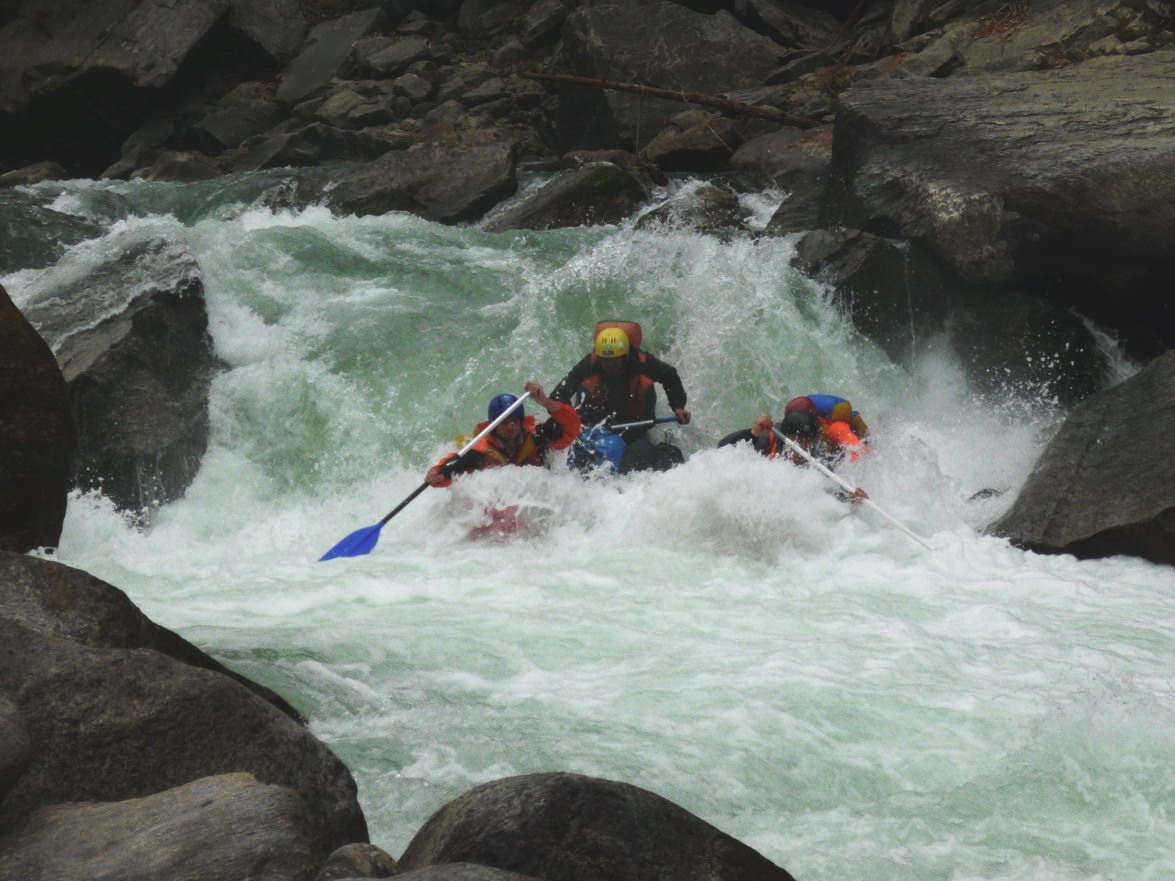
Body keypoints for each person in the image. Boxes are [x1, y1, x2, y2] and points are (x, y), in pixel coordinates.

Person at [551, 321, 691, 473]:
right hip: (594, 428)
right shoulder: (591, 363)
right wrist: (573, 424)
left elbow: (670, 375)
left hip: (633, 427)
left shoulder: (641, 362)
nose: (610, 365)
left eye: (614, 360)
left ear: (625, 356)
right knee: (579, 466)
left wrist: (678, 407)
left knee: (636, 463)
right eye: (605, 360)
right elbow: (559, 395)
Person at [425, 381, 580, 487]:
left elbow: (571, 428)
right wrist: (438, 474)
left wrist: (544, 401)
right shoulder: (480, 450)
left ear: (521, 421)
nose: (510, 426)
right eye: (504, 422)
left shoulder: (538, 437)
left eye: (514, 421)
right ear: (494, 426)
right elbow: (454, 465)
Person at [718, 409, 869, 502]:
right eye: (798, 439)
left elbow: (828, 493)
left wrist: (850, 498)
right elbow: (723, 448)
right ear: (787, 436)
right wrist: (754, 433)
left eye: (807, 441)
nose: (802, 446)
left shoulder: (815, 458)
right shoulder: (767, 441)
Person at [783, 394, 869, 464]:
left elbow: (845, 406)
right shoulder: (794, 423)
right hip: (835, 431)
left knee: (835, 430)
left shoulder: (834, 424)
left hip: (848, 426)